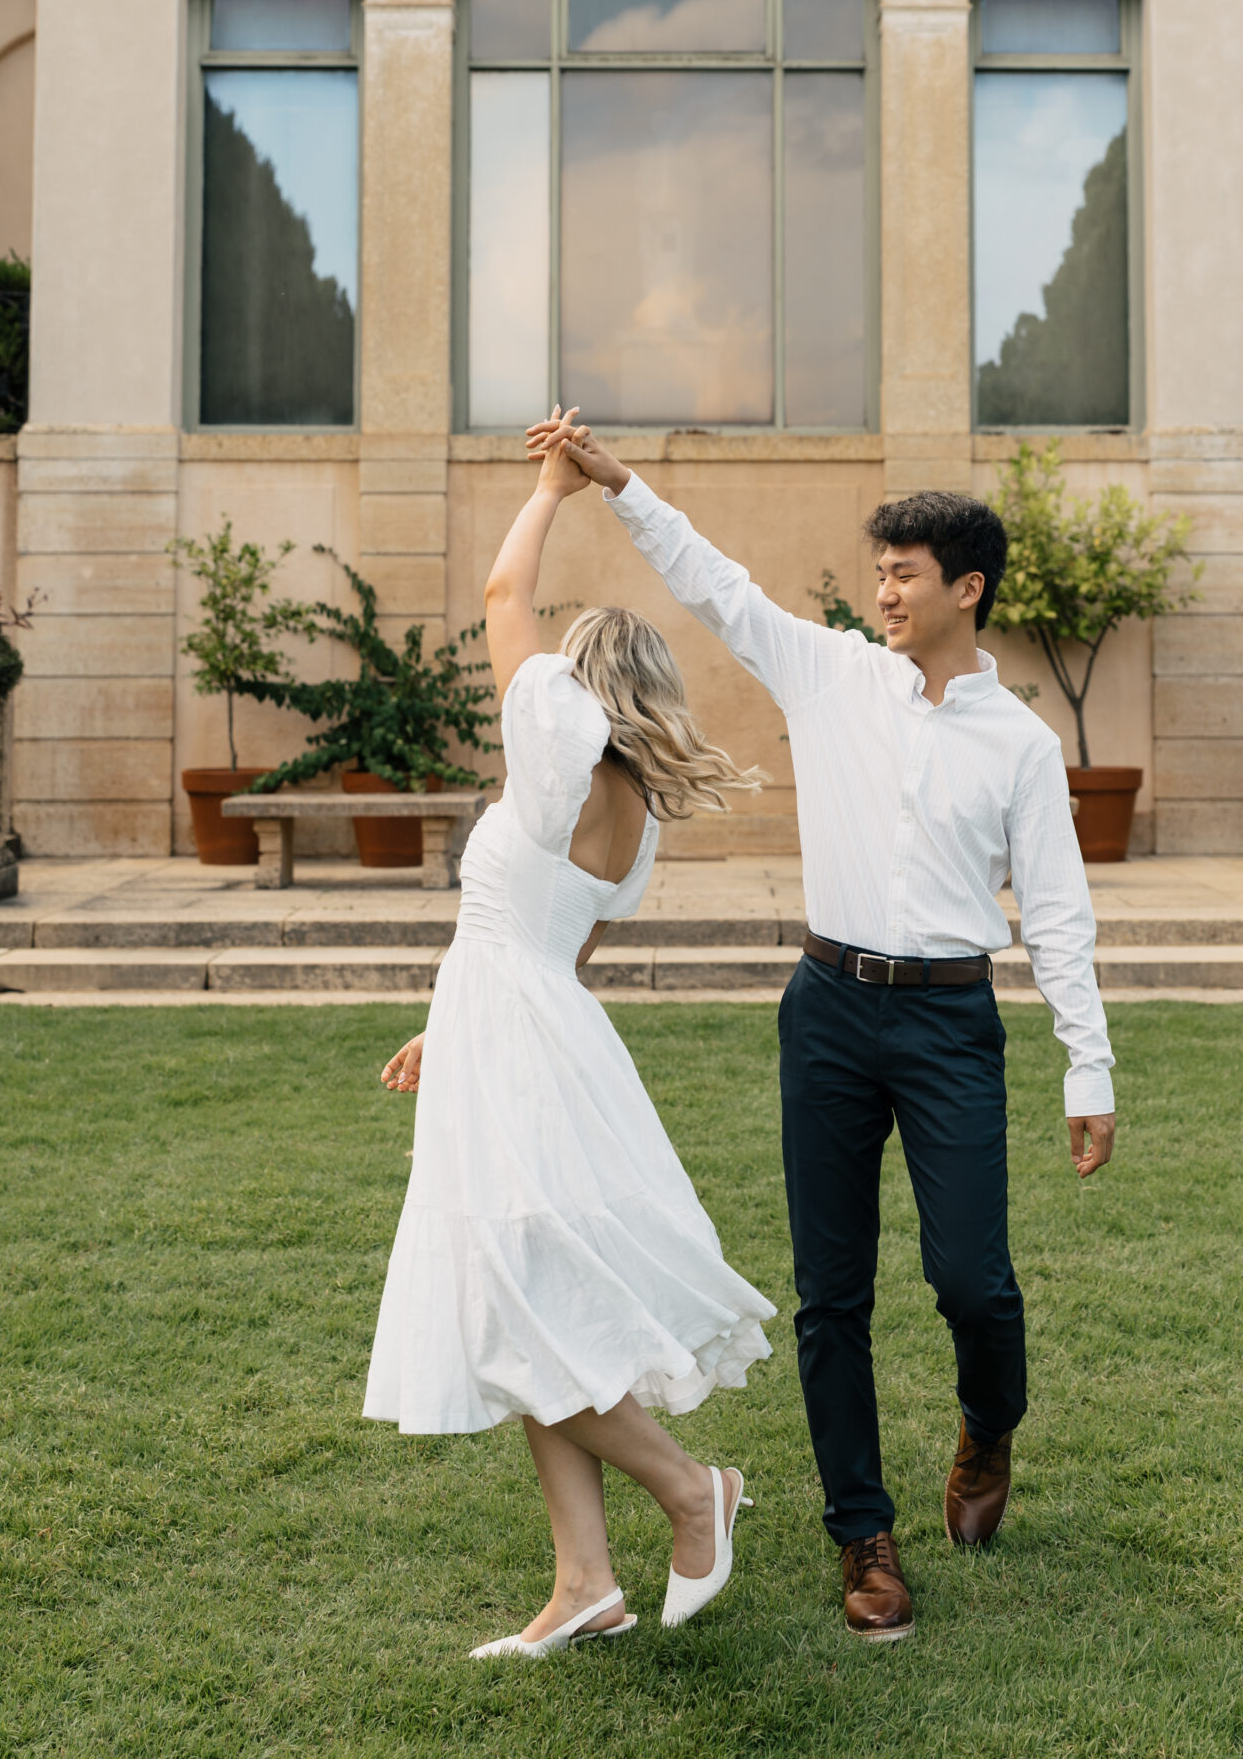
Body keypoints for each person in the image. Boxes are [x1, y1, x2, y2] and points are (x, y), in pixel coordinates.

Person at [530, 408, 1116, 1645]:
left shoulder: (1022, 744)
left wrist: (1088, 1065)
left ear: (968, 588)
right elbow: (714, 582)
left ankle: (987, 1424)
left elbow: (1056, 912)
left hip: (954, 1019)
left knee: (974, 1282)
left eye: (905, 574)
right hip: (830, 1011)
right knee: (828, 1295)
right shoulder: (829, 670)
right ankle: (864, 1536)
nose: (885, 591)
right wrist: (619, 482)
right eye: (881, 571)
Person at [364, 421, 775, 1659]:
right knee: (523, 1305)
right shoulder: (635, 816)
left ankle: (693, 1488)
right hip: (528, 1029)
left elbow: (501, 593)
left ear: (584, 684)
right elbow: (556, 947)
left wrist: (548, 491)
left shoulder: (556, 747)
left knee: (515, 1303)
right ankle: (582, 1581)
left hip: (519, 1038)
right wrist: (453, 1029)